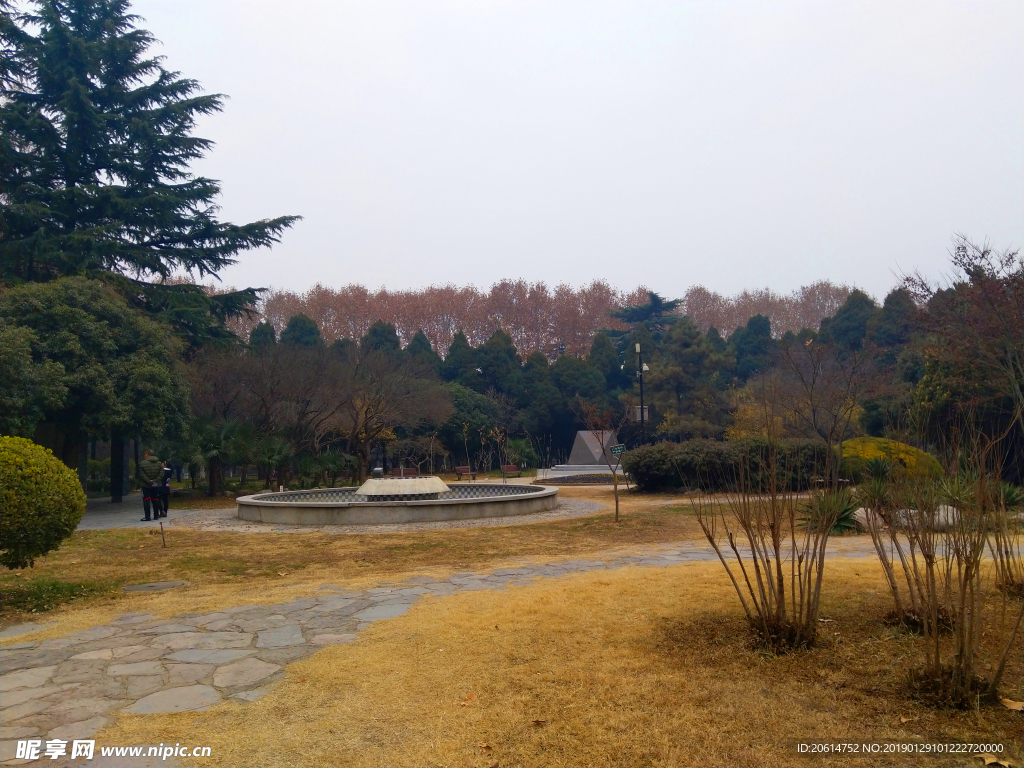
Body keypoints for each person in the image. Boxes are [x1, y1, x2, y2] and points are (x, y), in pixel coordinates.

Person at [138, 449, 164, 521]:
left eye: (145, 453)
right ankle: (156, 515)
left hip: (146, 484)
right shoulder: (159, 463)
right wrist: (155, 481)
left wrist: (149, 481)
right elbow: (162, 473)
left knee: (146, 500)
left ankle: (147, 516)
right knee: (155, 499)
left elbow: (141, 474)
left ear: (147, 454)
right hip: (156, 484)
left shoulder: (142, 463)